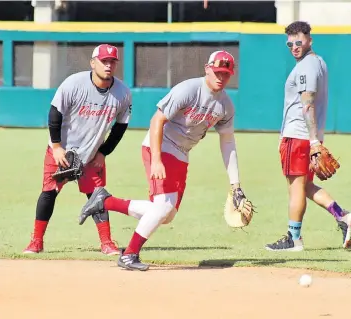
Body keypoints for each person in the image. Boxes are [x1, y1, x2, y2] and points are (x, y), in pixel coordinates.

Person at [79, 50, 250, 271]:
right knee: (164, 206)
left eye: (225, 74)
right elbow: (156, 120)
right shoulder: (189, 90)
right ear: (207, 69)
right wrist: (157, 159)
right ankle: (130, 254)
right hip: (159, 145)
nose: (220, 77)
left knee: (166, 215)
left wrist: (235, 184)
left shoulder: (225, 106)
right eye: (216, 71)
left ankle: (104, 201)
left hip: (182, 154)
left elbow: (228, 143)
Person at [23, 44, 132, 256]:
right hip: (62, 151)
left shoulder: (122, 93)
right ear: (93, 63)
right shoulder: (74, 84)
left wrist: (103, 152)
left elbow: (121, 126)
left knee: (98, 195)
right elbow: (55, 113)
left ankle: (106, 242)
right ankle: (36, 241)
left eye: (112, 62)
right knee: (49, 192)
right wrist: (56, 147)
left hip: (91, 154)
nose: (108, 65)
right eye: (104, 61)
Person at [265, 21, 351, 251]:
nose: (294, 47)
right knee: (306, 185)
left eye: (299, 41)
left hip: (298, 136)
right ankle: (343, 216)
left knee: (296, 187)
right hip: (306, 137)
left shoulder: (307, 66)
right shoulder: (318, 62)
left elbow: (307, 103)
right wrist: (315, 139)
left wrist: (313, 141)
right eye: (290, 44)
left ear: (309, 39)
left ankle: (294, 238)